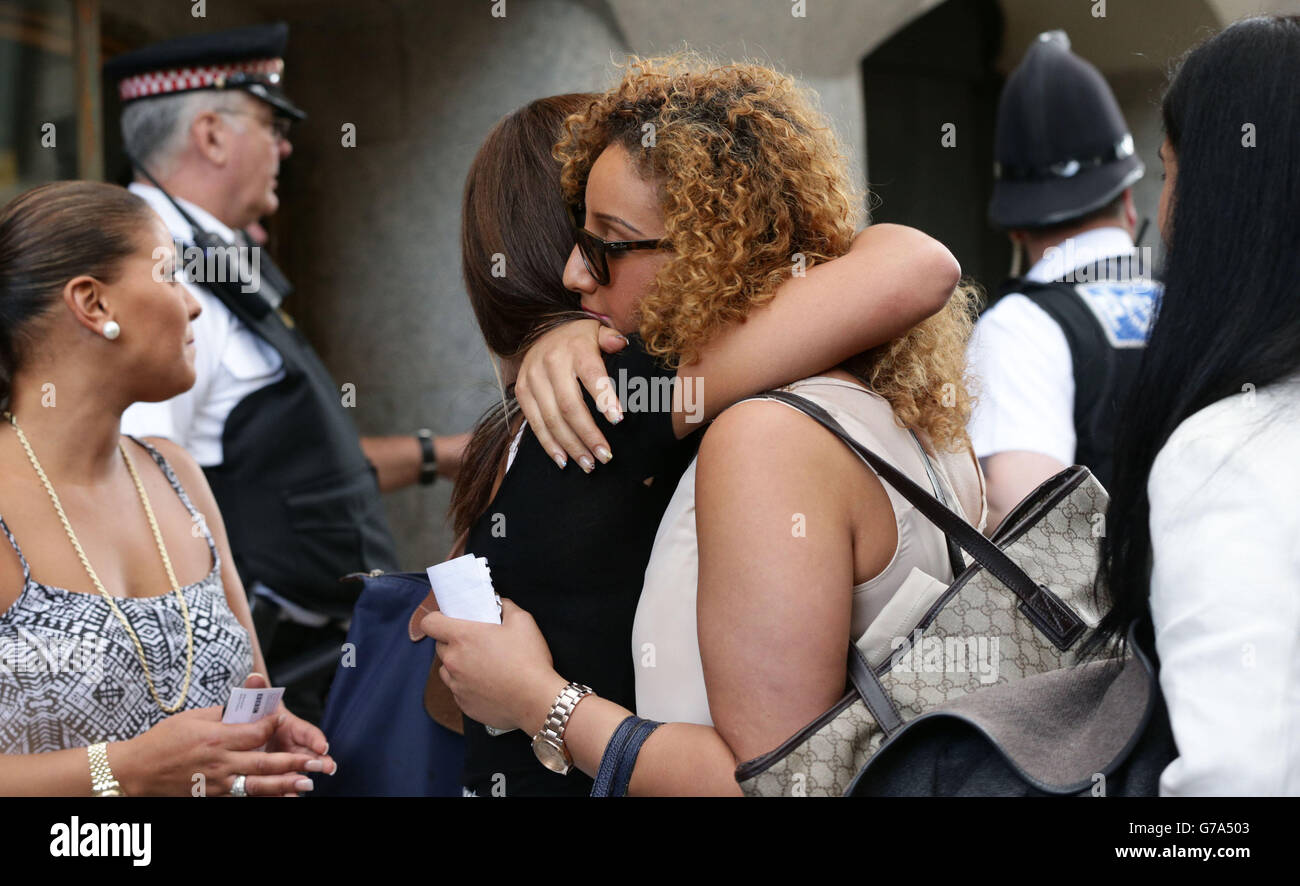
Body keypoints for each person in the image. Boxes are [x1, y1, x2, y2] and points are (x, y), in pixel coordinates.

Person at [423, 57, 980, 796]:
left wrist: (540, 702)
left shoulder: (647, 402)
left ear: (706, 240)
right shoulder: (903, 404)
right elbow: (912, 263)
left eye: (603, 242)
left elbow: (769, 782)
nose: (573, 274)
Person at [102, 23, 467, 721]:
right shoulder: (156, 268)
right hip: (269, 677)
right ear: (210, 136)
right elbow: (134, 489)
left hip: (310, 666)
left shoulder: (210, 257)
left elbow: (284, 470)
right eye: (272, 124)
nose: (287, 147)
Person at [0, 180, 334, 795]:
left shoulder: (176, 474)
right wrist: (124, 772)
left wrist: (265, 742)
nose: (195, 305)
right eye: (172, 275)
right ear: (92, 304)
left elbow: (249, 698)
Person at [1084, 14, 1300, 796]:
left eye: (1168, 170)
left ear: (1226, 198)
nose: (1159, 207)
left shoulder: (1230, 454)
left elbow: (1238, 792)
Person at [969, 30, 1159, 532]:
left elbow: (1028, 522)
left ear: (1015, 225)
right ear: (1127, 197)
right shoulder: (1200, 301)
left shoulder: (1019, 328)